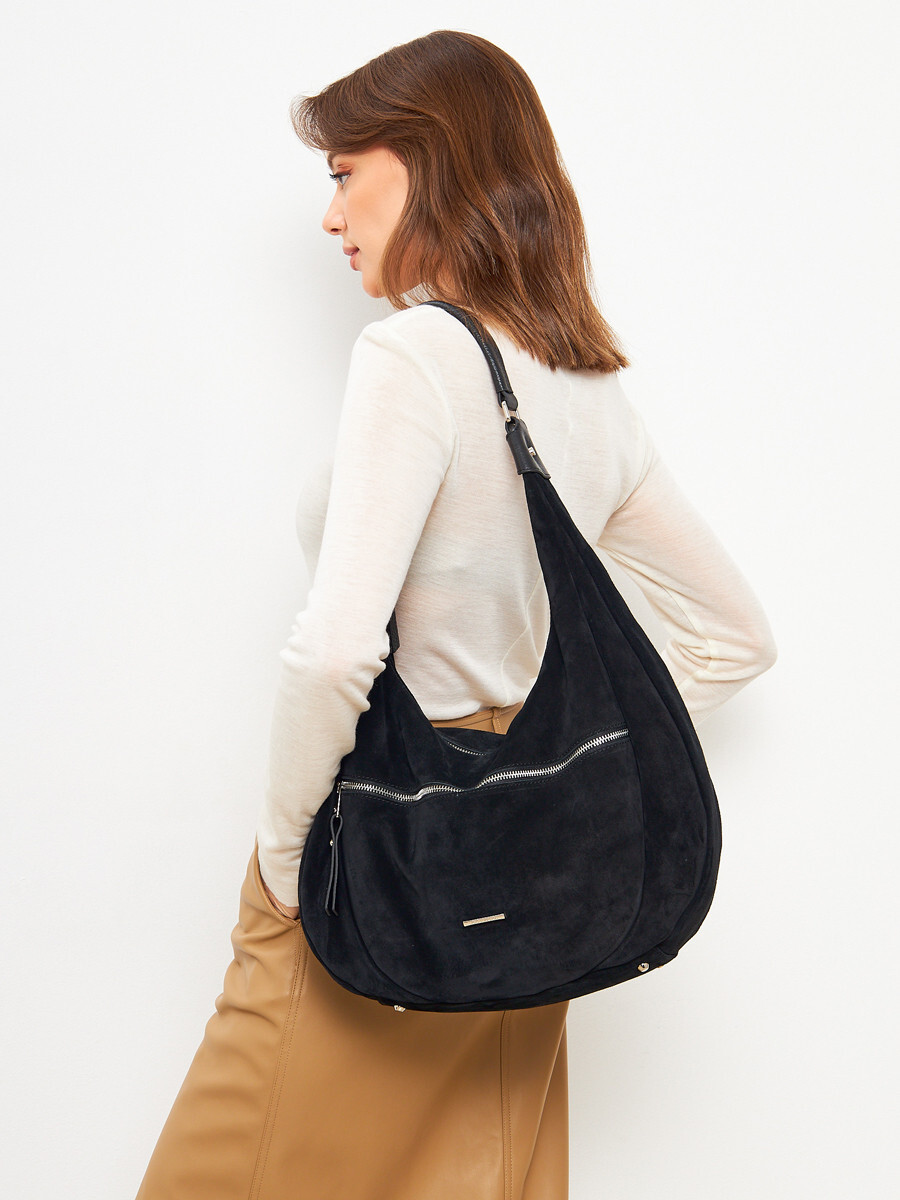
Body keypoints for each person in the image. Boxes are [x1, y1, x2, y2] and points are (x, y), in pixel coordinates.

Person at [135, 29, 776, 1200]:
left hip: (384, 832)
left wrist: (284, 857)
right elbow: (736, 637)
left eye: (345, 173)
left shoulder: (418, 356)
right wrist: (558, 757)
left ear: (429, 159)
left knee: (220, 1175)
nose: (331, 216)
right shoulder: (587, 384)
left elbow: (336, 649)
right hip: (536, 854)